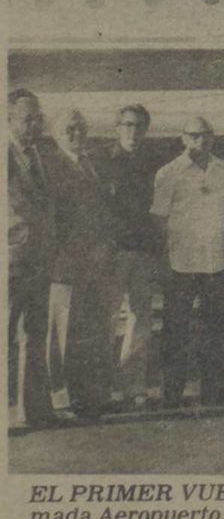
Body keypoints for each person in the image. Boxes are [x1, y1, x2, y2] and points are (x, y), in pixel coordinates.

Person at [151, 117, 224, 408]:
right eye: (194, 136)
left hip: (215, 262)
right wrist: (164, 259)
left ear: (213, 138)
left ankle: (214, 393)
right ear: (183, 138)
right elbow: (159, 218)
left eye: (206, 135)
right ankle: (172, 394)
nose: (200, 141)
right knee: (176, 331)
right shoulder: (168, 173)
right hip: (181, 264)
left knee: (214, 330)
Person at [46, 109, 116, 419]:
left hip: (95, 263)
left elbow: (101, 211)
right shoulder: (50, 166)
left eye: (80, 129)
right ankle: (63, 398)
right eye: (69, 129)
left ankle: (90, 396)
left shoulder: (89, 163)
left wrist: (105, 246)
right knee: (64, 334)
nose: (76, 134)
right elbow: (52, 220)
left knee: (92, 331)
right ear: (57, 133)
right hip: (66, 265)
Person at [97, 104, 164, 410]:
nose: (132, 131)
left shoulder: (153, 163)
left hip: (143, 251)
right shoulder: (102, 161)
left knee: (140, 319)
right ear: (117, 127)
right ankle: (102, 386)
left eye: (138, 126)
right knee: (106, 319)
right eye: (126, 125)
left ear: (146, 129)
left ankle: (134, 384)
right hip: (113, 252)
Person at [7, 89, 60, 427]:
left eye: (37, 118)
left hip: (40, 259)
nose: (34, 124)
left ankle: (35, 410)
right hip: (10, 261)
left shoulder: (42, 154)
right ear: (9, 118)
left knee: (36, 333)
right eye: (27, 119)